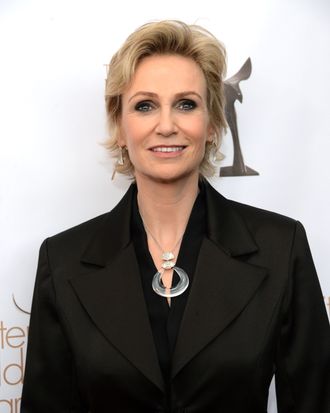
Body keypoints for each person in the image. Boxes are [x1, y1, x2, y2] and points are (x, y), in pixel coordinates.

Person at [21, 20, 330, 413]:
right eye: (145, 105)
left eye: (186, 104)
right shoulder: (62, 260)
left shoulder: (280, 248)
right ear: (119, 126)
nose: (166, 126)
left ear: (214, 124)